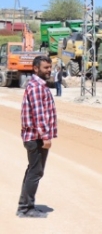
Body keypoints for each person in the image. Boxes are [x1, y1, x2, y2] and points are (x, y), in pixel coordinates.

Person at [17, 55, 58, 218]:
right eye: (45, 68)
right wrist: (45, 137)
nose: (49, 70)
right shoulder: (36, 87)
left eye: (50, 67)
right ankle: (26, 209)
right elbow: (38, 115)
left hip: (35, 137)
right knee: (36, 172)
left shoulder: (38, 85)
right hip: (36, 138)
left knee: (33, 171)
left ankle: (25, 205)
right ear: (35, 69)